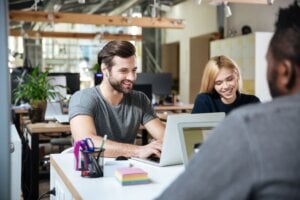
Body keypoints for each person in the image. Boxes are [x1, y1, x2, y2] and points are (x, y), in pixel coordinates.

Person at [157, 1, 300, 199]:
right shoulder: (217, 105)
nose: (225, 86)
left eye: (268, 61)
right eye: (218, 82)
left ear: (285, 71)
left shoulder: (246, 123)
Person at [69, 40, 165, 158]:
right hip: (92, 170)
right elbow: (86, 143)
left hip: (127, 169)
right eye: (123, 71)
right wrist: (139, 150)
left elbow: (165, 137)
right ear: (105, 70)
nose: (132, 77)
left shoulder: (140, 99)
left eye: (134, 70)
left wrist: (159, 145)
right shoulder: (82, 98)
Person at [192, 55, 260, 114]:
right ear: (212, 85)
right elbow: (194, 128)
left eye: (230, 79)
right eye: (218, 83)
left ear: (237, 76)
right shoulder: (204, 101)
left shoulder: (252, 102)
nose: (226, 86)